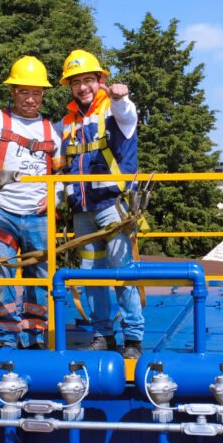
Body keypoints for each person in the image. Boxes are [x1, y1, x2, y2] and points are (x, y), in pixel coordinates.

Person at [0, 55, 61, 349]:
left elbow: (61, 172)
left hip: (39, 215)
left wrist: (54, 197)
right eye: (24, 92)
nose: (30, 99)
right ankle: (4, 338)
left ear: (43, 94)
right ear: (13, 92)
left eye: (36, 93)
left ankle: (33, 335)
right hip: (2, 211)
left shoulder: (51, 131)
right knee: (1, 273)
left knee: (41, 277)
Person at [57, 49, 144, 359]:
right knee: (91, 275)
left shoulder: (114, 110)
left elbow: (127, 114)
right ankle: (102, 334)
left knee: (123, 272)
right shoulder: (66, 123)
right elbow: (57, 164)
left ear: (100, 80)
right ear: (69, 87)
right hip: (82, 212)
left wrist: (120, 97)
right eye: (76, 82)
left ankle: (132, 338)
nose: (83, 87)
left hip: (112, 207)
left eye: (89, 80)